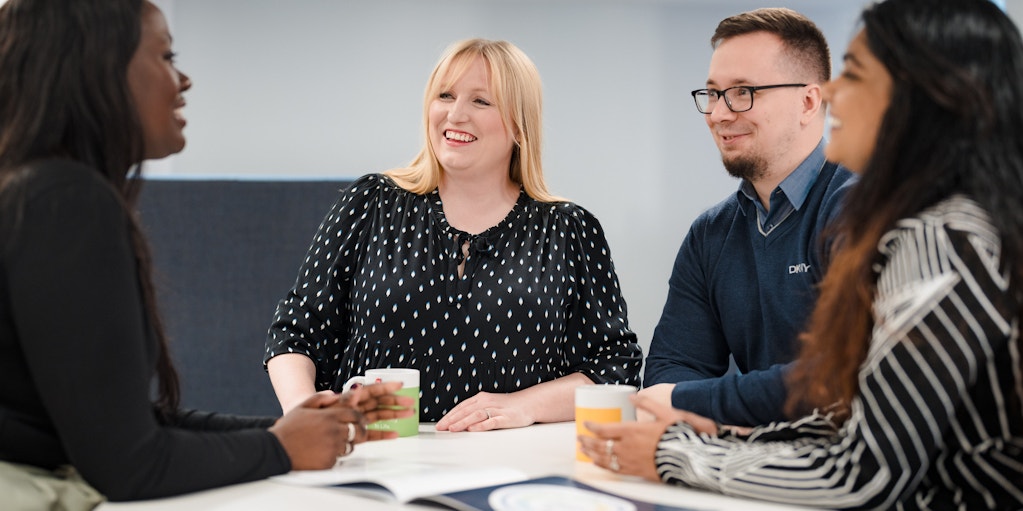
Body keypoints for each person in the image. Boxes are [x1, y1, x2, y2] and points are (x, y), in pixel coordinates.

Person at [581, 0, 1023, 508]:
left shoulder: (939, 236)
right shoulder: (713, 231)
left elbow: (861, 462)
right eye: (714, 93)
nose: (833, 91)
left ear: (922, 96)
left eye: (852, 74)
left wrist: (676, 453)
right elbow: (851, 413)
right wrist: (724, 440)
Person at [0, 0, 412, 506]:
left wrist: (299, 429)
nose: (184, 80)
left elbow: (130, 425)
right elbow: (130, 463)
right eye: (167, 57)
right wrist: (279, 448)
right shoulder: (67, 202)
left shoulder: (36, 191)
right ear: (99, 66)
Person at [264, 38, 643, 432]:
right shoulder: (371, 202)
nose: (455, 114)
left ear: (519, 124)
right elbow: (297, 331)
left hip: (513, 461)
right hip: (375, 454)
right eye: (445, 95)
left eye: (481, 101)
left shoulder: (569, 229)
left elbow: (615, 368)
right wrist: (304, 415)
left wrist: (524, 405)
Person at [641, 7, 856, 426]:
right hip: (738, 465)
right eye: (713, 93)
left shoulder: (856, 208)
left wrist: (700, 404)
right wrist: (700, 405)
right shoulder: (711, 234)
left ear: (809, 102)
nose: (719, 114)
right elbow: (670, 372)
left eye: (743, 92)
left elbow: (835, 380)